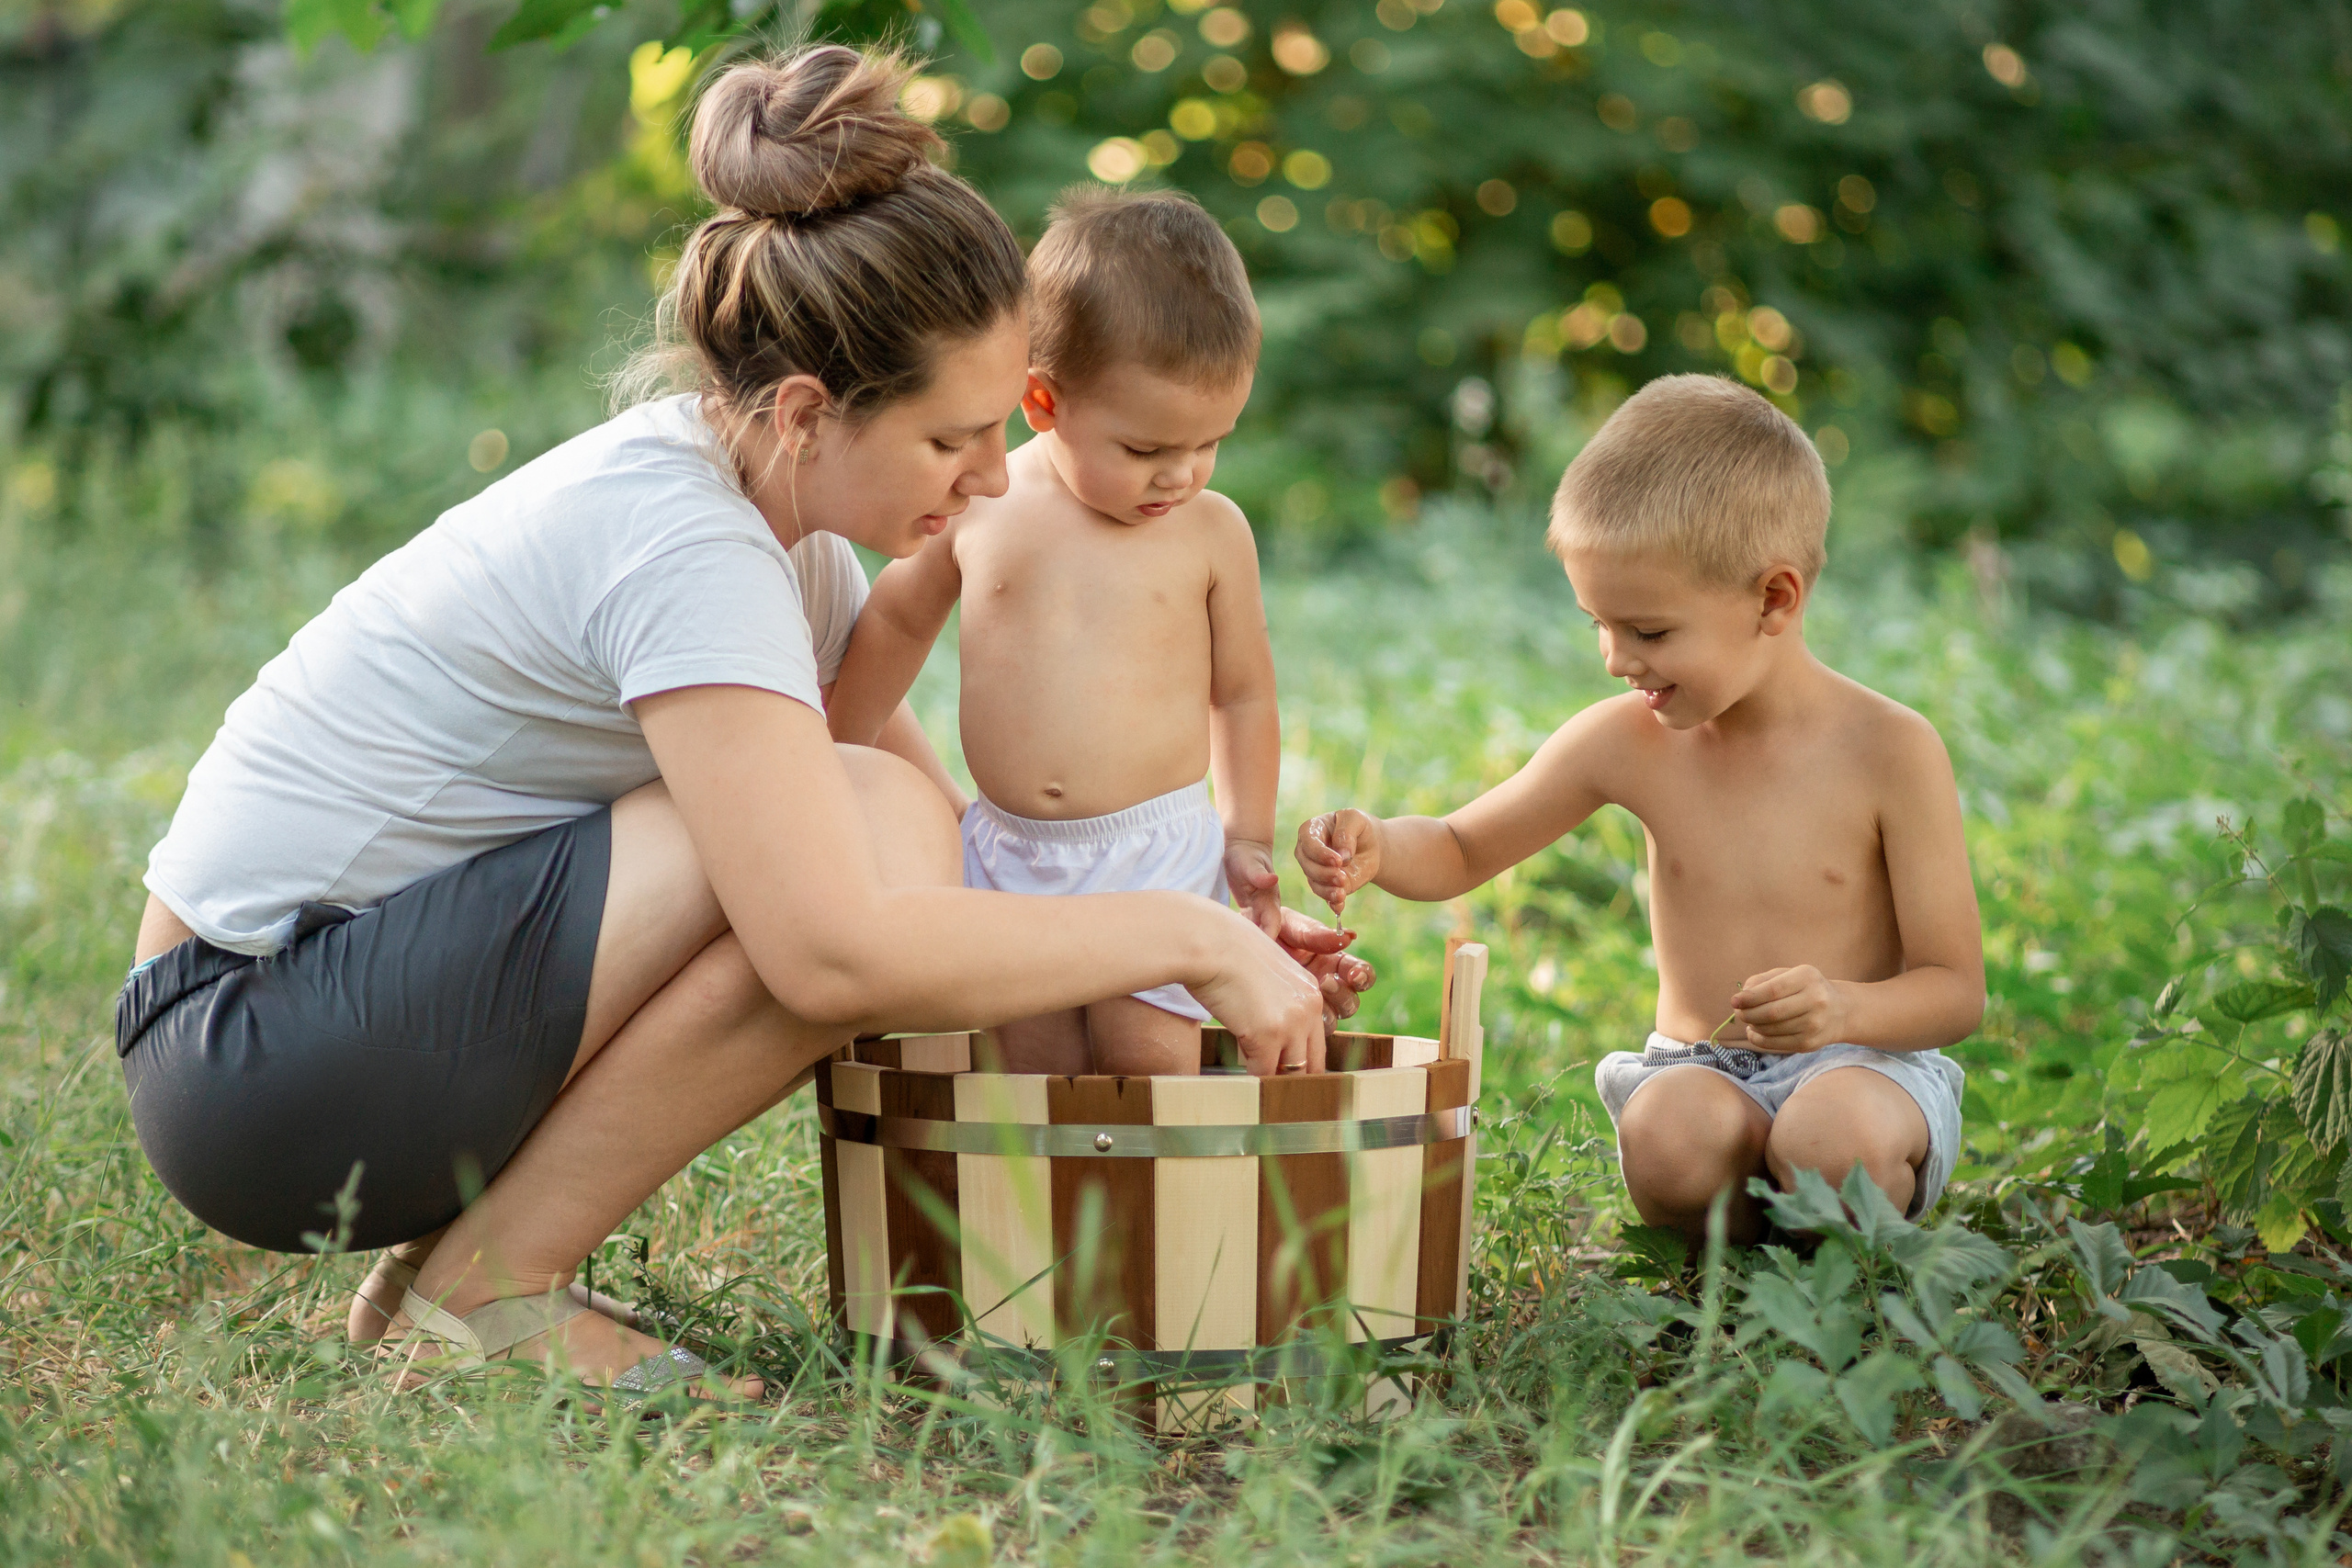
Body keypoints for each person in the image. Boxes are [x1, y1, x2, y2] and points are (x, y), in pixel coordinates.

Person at [116, 44, 1363, 1403]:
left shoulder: (787, 527)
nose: (998, 477)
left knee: (891, 828)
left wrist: (1213, 921)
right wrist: (1177, 936)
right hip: (253, 1058)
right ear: (809, 409)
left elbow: (948, 865)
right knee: (848, 849)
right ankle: (496, 1280)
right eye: (953, 439)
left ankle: (459, 1258)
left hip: (352, 1017)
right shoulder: (684, 546)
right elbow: (835, 951)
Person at [1295, 375, 1983, 1244]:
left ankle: (1842, 1286)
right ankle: (1735, 1276)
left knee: (1830, 1142)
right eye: (1598, 623)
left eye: (1650, 632)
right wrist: (1379, 845)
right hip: (1702, 1069)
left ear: (1773, 599)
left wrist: (1841, 1010)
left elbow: (1955, 990)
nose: (1617, 660)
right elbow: (1465, 846)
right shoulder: (1627, 741)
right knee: (1665, 1140)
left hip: (1864, 1064)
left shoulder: (1890, 749)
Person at [826, 186, 1341, 1076]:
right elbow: (898, 619)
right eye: (1144, 450)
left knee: (1146, 1066)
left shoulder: (1211, 532)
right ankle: (1050, 1223)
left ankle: (1154, 1217)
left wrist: (1246, 834)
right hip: (1008, 846)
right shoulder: (986, 505)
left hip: (1156, 849)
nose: (1178, 474)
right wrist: (833, 749)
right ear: (1041, 401)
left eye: (1209, 442)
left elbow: (1244, 691)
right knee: (1031, 1069)